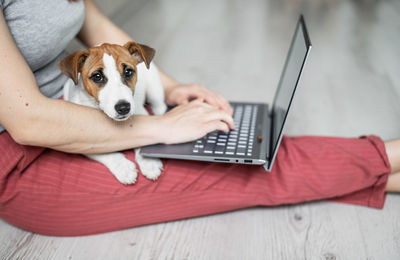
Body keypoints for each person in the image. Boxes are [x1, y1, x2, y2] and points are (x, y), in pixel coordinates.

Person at [0, 0, 399, 236]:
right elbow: (28, 121)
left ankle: (385, 171)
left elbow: (104, 34)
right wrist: (161, 127)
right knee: (244, 169)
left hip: (96, 117)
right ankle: (389, 157)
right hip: (25, 155)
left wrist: (172, 91)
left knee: (234, 144)